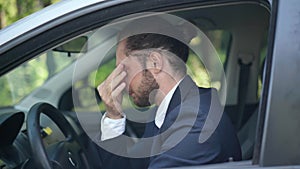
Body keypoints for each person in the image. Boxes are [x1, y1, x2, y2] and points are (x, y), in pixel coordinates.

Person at [96, 16, 241, 169]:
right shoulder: (166, 111)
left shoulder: (195, 124)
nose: (121, 81)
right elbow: (133, 165)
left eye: (124, 69)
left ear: (155, 63)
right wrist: (114, 116)